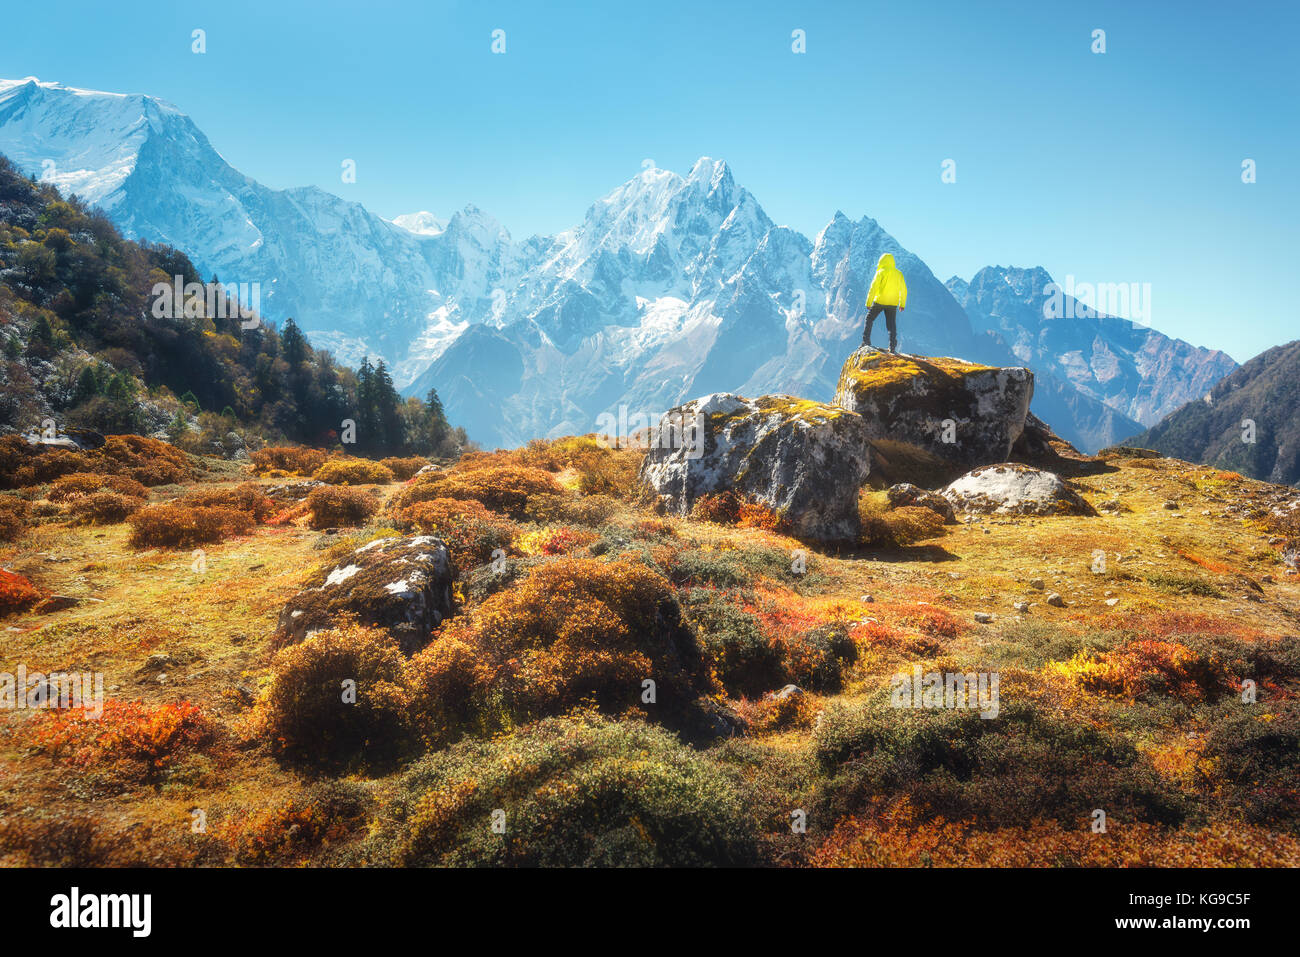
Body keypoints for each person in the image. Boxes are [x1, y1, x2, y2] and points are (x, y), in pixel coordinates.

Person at [862, 252, 907, 353]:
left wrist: (868, 302)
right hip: (893, 303)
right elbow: (903, 289)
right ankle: (892, 347)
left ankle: (866, 341)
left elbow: (873, 288)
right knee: (891, 325)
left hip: (880, 301)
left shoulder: (881, 272)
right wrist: (902, 304)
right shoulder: (899, 274)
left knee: (869, 319)